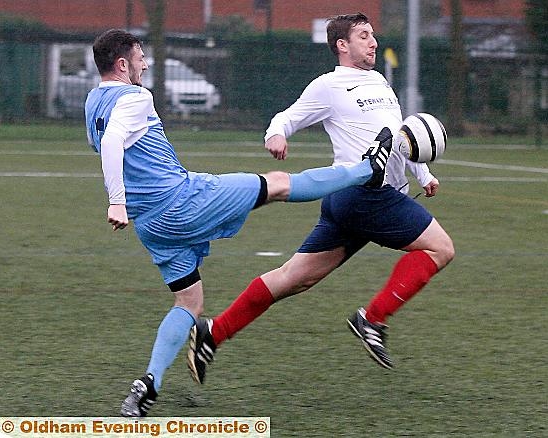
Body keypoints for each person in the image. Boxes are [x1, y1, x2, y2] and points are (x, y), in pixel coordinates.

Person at [84, 29, 391, 417]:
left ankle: (148, 383)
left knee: (189, 301)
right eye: (141, 57)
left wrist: (126, 201)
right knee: (278, 184)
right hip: (183, 201)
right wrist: (116, 202)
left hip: (153, 226)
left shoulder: (92, 101)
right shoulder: (134, 95)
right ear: (123, 64)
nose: (146, 64)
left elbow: (111, 142)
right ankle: (368, 169)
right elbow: (113, 141)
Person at [187, 13, 455, 384]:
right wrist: (275, 135)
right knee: (441, 249)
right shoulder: (329, 86)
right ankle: (372, 319)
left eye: (373, 35)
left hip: (350, 201)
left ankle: (212, 333)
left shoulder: (379, 81)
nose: (373, 42)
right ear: (342, 45)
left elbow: (398, 138)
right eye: (363, 36)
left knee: (293, 278)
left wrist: (423, 173)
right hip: (367, 196)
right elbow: (286, 117)